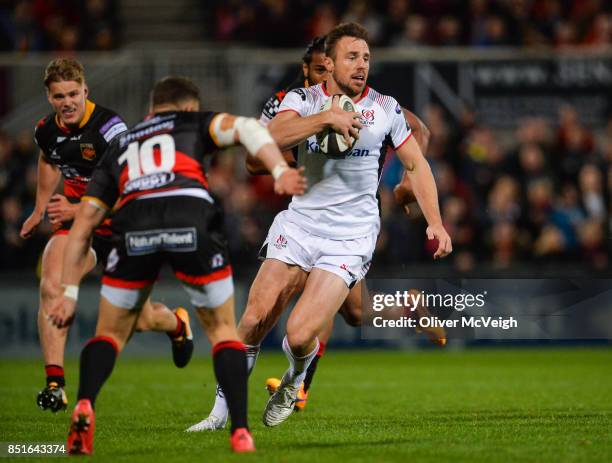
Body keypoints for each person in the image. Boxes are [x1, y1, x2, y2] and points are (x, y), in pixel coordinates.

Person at [188, 35, 445, 432]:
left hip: (350, 233)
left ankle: (295, 382)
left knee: (302, 329)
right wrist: (325, 122)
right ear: (319, 66)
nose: (360, 65)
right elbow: (260, 150)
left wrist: (431, 214)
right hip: (302, 222)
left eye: (366, 58)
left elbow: (419, 142)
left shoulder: (383, 107)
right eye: (349, 58)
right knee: (257, 317)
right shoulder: (295, 100)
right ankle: (220, 414)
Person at [47, 76, 306, 454]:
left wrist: (68, 292)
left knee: (111, 334)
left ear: (151, 110)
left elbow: (84, 222)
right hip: (190, 217)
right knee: (221, 331)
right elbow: (249, 128)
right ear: (188, 108)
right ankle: (239, 431)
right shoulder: (193, 122)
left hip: (135, 225)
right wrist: (279, 170)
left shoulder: (121, 143)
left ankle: (85, 404)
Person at [20, 58, 194, 414]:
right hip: (79, 225)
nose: (66, 102)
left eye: (73, 94)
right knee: (52, 282)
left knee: (142, 320)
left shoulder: (111, 130)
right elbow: (48, 159)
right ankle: (55, 384)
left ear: (86, 91)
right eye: (58, 96)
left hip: (123, 225)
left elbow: (130, 188)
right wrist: (40, 209)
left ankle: (176, 324)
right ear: (49, 97)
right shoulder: (46, 130)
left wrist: (77, 208)